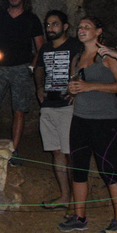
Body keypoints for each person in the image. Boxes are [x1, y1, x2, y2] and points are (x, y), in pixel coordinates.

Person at [58, 16, 117, 233]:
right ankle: (79, 217)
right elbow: (75, 86)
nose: (82, 30)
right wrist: (72, 90)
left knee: (108, 169)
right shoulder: (77, 58)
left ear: (99, 31)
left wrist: (91, 86)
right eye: (80, 27)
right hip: (80, 119)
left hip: (105, 121)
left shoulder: (107, 56)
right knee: (78, 168)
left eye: (87, 27)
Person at [0, 0, 44, 165]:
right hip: (0, 67)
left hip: (21, 68)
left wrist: (32, 67)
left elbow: (40, 47)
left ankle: (14, 150)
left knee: (19, 109)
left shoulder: (31, 19)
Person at [34, 11, 82, 209]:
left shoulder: (75, 46)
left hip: (67, 106)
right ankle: (64, 196)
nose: (50, 28)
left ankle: (75, 200)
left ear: (65, 26)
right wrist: (39, 86)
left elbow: (84, 67)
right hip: (48, 105)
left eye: (54, 24)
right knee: (57, 152)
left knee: (70, 153)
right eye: (47, 25)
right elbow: (38, 67)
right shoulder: (45, 48)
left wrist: (78, 89)